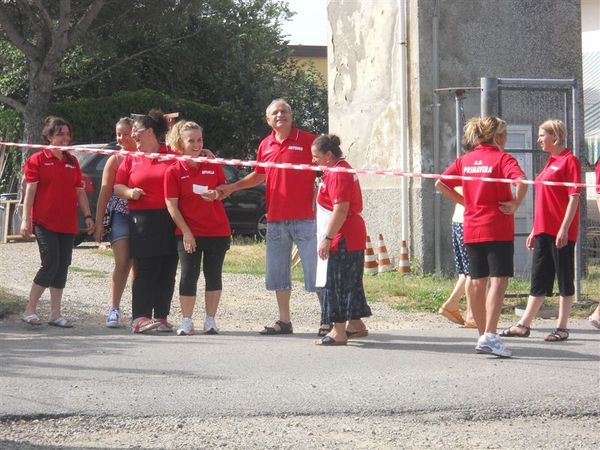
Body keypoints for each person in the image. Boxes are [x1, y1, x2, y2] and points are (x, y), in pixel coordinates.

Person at [217, 99, 319, 335]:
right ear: (268, 119)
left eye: (284, 111)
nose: (280, 115)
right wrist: (231, 188)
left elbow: (327, 168)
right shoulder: (266, 145)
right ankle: (284, 321)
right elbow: (258, 175)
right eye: (275, 113)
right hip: (275, 219)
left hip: (306, 218)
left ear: (292, 116)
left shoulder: (308, 140)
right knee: (278, 272)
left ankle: (327, 319)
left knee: (315, 271)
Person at [435, 116, 527, 358]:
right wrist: (516, 203)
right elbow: (522, 181)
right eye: (505, 135)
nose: (506, 139)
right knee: (498, 281)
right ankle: (491, 335)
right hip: (497, 227)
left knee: (477, 281)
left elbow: (439, 184)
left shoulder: (466, 159)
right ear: (498, 137)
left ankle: (482, 335)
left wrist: (465, 202)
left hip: (472, 226)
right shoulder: (502, 158)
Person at [500, 119, 581, 342]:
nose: (538, 139)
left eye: (542, 135)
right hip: (544, 230)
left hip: (561, 232)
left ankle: (562, 327)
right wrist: (535, 228)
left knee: (565, 278)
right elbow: (544, 200)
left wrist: (564, 229)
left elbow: (574, 198)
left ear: (555, 137)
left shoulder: (569, 161)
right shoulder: (549, 162)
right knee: (539, 278)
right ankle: (524, 324)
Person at [20, 116, 95, 327]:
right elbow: (31, 192)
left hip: (67, 223)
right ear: (49, 137)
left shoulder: (72, 161)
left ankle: (55, 313)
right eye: (60, 134)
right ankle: (30, 309)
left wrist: (88, 216)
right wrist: (26, 219)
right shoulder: (37, 159)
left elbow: (80, 192)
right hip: (45, 222)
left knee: (62, 266)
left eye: (67, 134)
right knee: (50, 263)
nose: (65, 138)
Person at [114, 110, 178, 334]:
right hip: (142, 219)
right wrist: (130, 192)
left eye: (136, 131)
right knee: (146, 268)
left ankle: (161, 316)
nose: (132, 135)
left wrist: (206, 154)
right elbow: (117, 186)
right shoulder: (132, 157)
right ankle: (140, 317)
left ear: (150, 131)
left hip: (170, 218)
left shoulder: (172, 154)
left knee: (167, 268)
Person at [164, 120, 230, 336]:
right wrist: (186, 232)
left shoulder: (212, 163)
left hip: (217, 230)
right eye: (191, 140)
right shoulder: (173, 170)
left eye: (199, 139)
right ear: (180, 142)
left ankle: (210, 321)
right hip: (189, 232)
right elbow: (171, 205)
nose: (196, 144)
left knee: (214, 275)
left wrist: (217, 194)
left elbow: (224, 188)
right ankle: (186, 321)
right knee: (188, 275)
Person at [311, 134, 371, 346]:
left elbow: (341, 208)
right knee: (351, 281)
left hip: (343, 234)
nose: (314, 161)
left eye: (316, 156)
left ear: (328, 155)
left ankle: (338, 331)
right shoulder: (337, 169)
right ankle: (355, 324)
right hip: (349, 233)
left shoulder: (338, 173)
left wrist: (327, 238)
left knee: (337, 282)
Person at [93, 118, 136, 328]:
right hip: (121, 213)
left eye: (125, 134)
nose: (121, 138)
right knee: (122, 262)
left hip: (143, 215)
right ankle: (114, 308)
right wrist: (99, 221)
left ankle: (140, 310)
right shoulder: (115, 159)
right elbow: (104, 192)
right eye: (118, 134)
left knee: (139, 264)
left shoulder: (147, 155)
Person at [438, 187, 475, 327]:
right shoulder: (475, 166)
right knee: (474, 271)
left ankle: (452, 304)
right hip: (469, 220)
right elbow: (441, 183)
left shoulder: (462, 165)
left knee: (466, 272)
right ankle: (472, 315)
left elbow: (443, 183)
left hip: (458, 220)